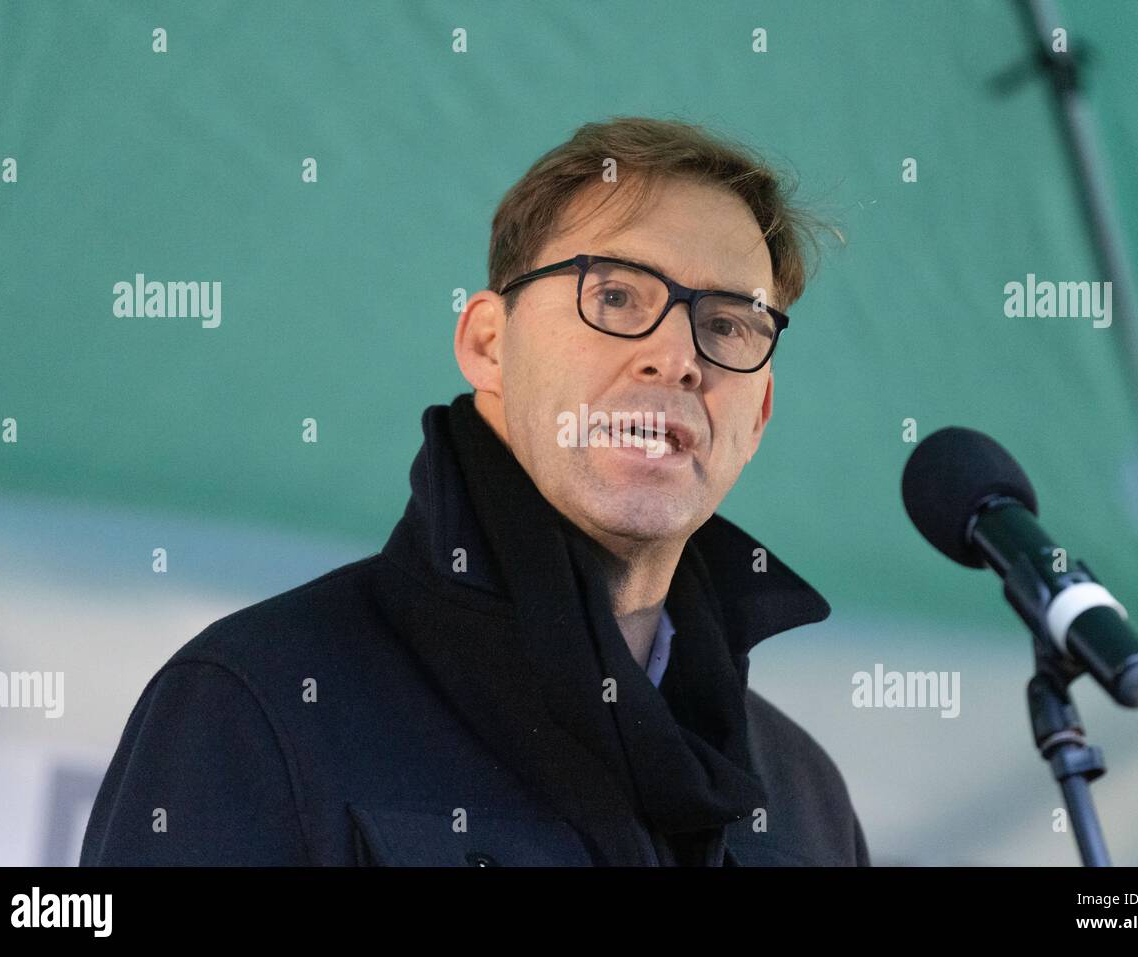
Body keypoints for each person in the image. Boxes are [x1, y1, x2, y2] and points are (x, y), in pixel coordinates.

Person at [80, 115, 869, 866]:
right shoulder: (258, 703)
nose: (677, 356)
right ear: (489, 344)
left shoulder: (805, 802)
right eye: (617, 295)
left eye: (730, 323)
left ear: (759, 413)